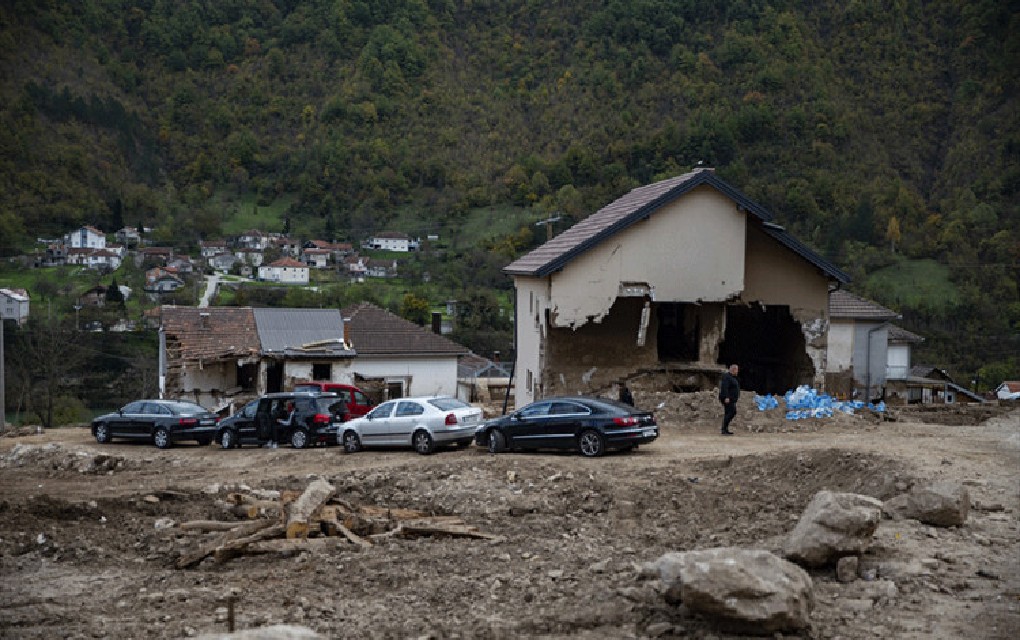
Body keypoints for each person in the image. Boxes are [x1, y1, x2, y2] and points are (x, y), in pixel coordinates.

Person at [719, 364, 740, 435]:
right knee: (732, 412)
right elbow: (724, 387)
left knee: (729, 413)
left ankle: (725, 429)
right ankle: (724, 429)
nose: (737, 371)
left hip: (731, 399)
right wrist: (726, 397)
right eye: (737, 370)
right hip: (728, 399)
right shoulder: (727, 377)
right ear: (733, 370)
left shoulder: (732, 377)